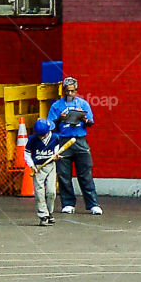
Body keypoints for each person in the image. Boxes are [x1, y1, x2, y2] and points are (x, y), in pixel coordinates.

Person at [46, 77, 101, 215]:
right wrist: (60, 119)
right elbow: (50, 125)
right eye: (67, 91)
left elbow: (90, 123)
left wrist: (84, 119)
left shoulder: (83, 104)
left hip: (80, 140)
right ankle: (68, 203)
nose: (70, 93)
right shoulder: (56, 106)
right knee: (64, 174)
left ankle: (93, 204)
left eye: (72, 91)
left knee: (85, 173)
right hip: (64, 140)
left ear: (76, 90)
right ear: (63, 91)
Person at [25, 118, 61, 225]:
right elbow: (26, 153)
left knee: (51, 192)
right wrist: (32, 166)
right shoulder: (32, 139)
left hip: (50, 166)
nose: (42, 137)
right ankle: (43, 215)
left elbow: (57, 149)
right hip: (38, 168)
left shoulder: (55, 137)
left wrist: (56, 155)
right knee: (39, 192)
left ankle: (49, 212)